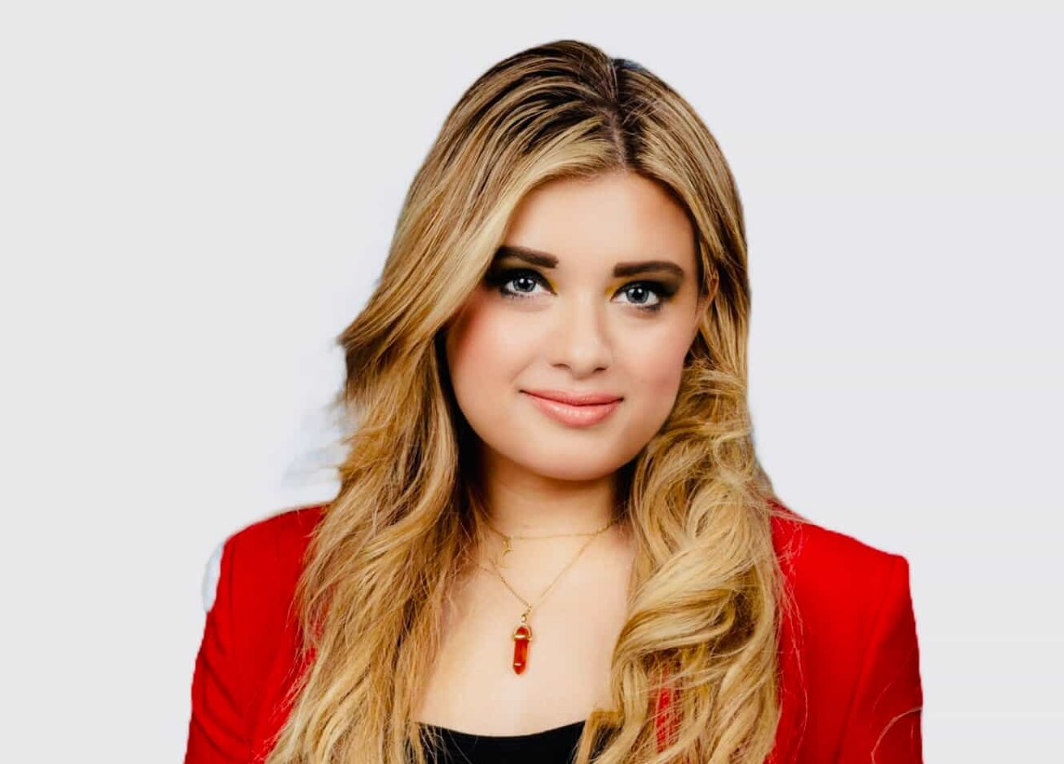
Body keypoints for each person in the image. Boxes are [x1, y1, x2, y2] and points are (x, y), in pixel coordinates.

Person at [182, 39, 923, 764]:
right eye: (524, 282)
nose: (583, 350)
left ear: (702, 310)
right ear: (438, 288)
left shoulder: (842, 607)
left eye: (641, 293)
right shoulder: (269, 582)